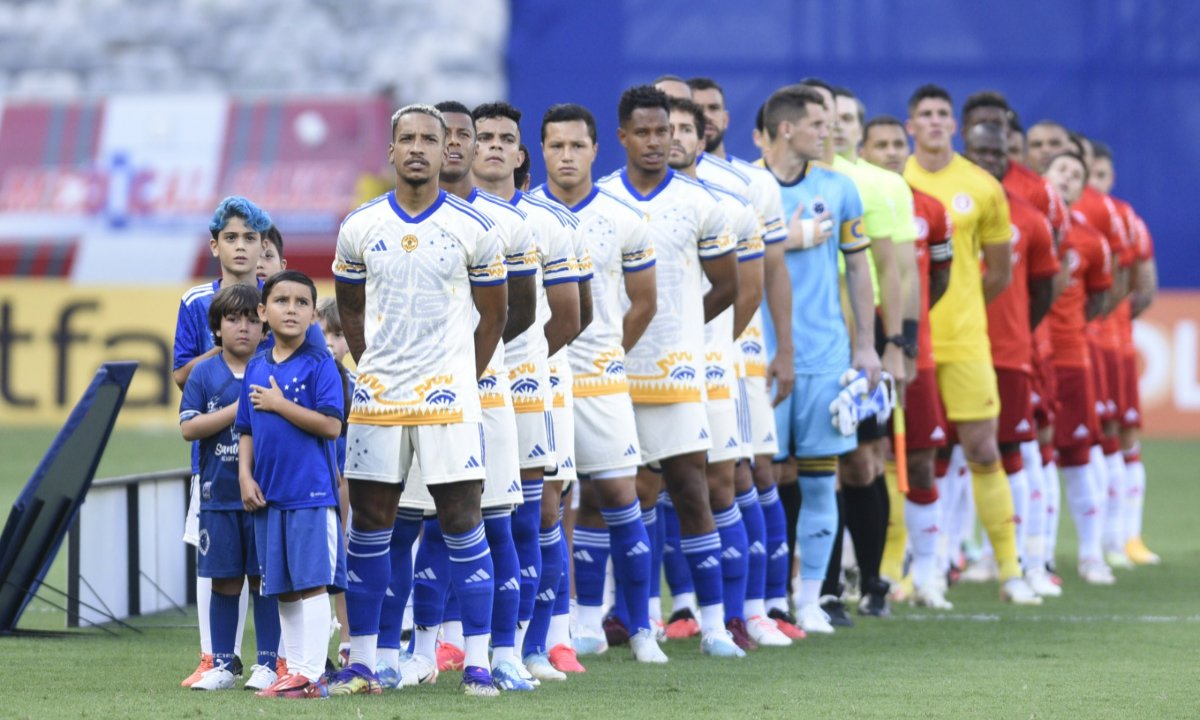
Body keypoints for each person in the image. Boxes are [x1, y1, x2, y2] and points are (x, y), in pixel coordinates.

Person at [330, 104, 509, 698]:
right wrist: (376, 368)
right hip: (380, 402)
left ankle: (479, 662)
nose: (416, 148)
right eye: (405, 138)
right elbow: (350, 308)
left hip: (448, 403)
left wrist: (461, 375)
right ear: (390, 150)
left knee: (462, 522)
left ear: (444, 151)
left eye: (428, 139)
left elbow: (496, 314)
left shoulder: (473, 227)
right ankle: (364, 661)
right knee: (371, 527)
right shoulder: (359, 226)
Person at [387, 100, 539, 692]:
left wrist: (467, 368)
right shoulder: (386, 222)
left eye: (459, 135)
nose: (449, 144)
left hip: (485, 395)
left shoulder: (504, 225)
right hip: (410, 400)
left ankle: (503, 653)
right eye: (437, 134)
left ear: (475, 148)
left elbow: (518, 312)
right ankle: (422, 650)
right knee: (414, 526)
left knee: (494, 524)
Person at [597, 84, 743, 657]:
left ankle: (713, 628)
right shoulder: (602, 199)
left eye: (666, 131)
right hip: (611, 373)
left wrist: (682, 327)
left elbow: (727, 283)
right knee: (618, 493)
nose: (658, 142)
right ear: (624, 137)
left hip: (678, 373)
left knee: (690, 489)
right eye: (646, 132)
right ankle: (630, 623)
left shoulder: (700, 202)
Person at [534, 102, 667, 664]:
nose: (567, 156)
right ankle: (572, 629)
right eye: (556, 146)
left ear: (595, 150)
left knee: (620, 496)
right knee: (548, 506)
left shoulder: (624, 217)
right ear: (540, 151)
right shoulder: (524, 215)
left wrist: (612, 353)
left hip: (601, 382)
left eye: (576, 146)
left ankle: (640, 628)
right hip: (540, 384)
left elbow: (645, 301)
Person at [902, 84, 1041, 605]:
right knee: (914, 457)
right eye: (925, 114)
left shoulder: (982, 186)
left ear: (952, 126)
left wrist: (957, 306)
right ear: (911, 125)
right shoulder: (897, 182)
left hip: (966, 341)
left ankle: (1011, 571)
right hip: (912, 344)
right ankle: (919, 574)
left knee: (985, 450)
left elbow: (999, 273)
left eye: (942, 114)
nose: (935, 122)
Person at [758, 84, 879, 633]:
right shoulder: (748, 187)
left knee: (818, 477)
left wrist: (865, 345)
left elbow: (858, 269)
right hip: (759, 355)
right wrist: (791, 234)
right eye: (816, 124)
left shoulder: (841, 188)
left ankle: (810, 600)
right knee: (761, 479)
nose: (827, 131)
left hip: (826, 356)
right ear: (787, 129)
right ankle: (766, 600)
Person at [471, 100, 583, 682]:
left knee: (538, 514)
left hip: (532, 386)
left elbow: (571, 316)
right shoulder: (453, 217)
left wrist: (527, 359)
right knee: (465, 515)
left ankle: (533, 645)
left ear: (521, 155)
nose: (493, 145)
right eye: (482, 135)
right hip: (466, 385)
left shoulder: (548, 224)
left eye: (504, 138)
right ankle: (458, 643)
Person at [687, 76, 800, 640]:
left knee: (750, 472)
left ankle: (760, 607)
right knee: (666, 481)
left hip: (739, 351)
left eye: (708, 110)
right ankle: (682, 608)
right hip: (664, 361)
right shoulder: (631, 190)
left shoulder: (749, 186)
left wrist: (784, 348)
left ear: (724, 118)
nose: (699, 120)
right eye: (687, 111)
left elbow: (770, 273)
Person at [665, 95, 767, 651]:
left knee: (722, 484)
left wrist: (698, 338)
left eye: (687, 129)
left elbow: (746, 292)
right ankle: (622, 616)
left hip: (713, 364)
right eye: (667, 127)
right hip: (642, 369)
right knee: (638, 487)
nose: (675, 137)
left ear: (703, 139)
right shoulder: (615, 199)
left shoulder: (729, 205)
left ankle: (736, 615)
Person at [827, 84, 918, 621]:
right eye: (827, 116)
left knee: (863, 462)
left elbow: (898, 270)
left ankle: (875, 580)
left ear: (858, 127)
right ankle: (826, 584)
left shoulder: (880, 186)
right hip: (811, 330)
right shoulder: (783, 182)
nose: (836, 125)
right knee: (814, 466)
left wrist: (895, 345)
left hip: (864, 330)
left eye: (845, 117)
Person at [235, 270, 347, 699]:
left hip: (311, 495)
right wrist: (245, 475)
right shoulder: (257, 366)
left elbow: (331, 426)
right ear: (263, 312)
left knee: (312, 582)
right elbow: (245, 428)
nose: (291, 309)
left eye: (302, 303)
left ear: (313, 314)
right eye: (281, 301)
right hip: (269, 497)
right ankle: (293, 670)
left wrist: (281, 405)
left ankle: (312, 673)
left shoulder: (321, 366)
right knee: (280, 585)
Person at [174, 195, 271, 687]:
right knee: (216, 559)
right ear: (214, 245)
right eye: (230, 237)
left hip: (272, 462)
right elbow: (180, 375)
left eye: (249, 238)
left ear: (263, 246)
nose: (239, 246)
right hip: (214, 460)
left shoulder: (278, 298)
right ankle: (216, 657)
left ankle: (277, 659)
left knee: (269, 566)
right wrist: (222, 345)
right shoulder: (195, 301)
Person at [963, 122, 1062, 598]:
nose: (987, 159)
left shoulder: (1028, 217)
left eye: (996, 153)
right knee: (936, 457)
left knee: (1008, 453)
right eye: (978, 150)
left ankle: (1018, 559)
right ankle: (937, 564)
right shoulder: (943, 203)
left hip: (1005, 351)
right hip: (948, 347)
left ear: (1009, 158)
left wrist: (1017, 327)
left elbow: (1045, 288)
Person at [859, 115, 955, 609]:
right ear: (864, 149)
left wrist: (909, 339)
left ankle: (931, 572)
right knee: (864, 461)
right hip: (860, 344)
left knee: (919, 460)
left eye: (899, 143)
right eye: (882, 144)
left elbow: (937, 278)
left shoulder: (932, 209)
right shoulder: (853, 197)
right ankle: (878, 571)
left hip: (915, 351)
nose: (893, 152)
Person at [1042, 151, 1115, 585]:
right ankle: (1035, 558)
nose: (1067, 178)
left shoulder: (1090, 240)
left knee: (1076, 456)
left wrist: (1071, 329)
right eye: (1060, 171)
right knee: (1026, 456)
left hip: (1070, 358)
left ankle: (1091, 554)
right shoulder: (1026, 225)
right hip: (1028, 356)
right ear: (1044, 176)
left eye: (1076, 174)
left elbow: (1102, 296)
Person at [1089, 143, 1161, 565]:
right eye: (1088, 175)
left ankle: (1124, 537)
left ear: (1110, 178)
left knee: (1121, 438)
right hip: (1061, 345)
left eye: (1100, 175)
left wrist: (1108, 316)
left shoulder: (1125, 219)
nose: (1093, 183)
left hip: (1111, 345)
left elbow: (1145, 286)